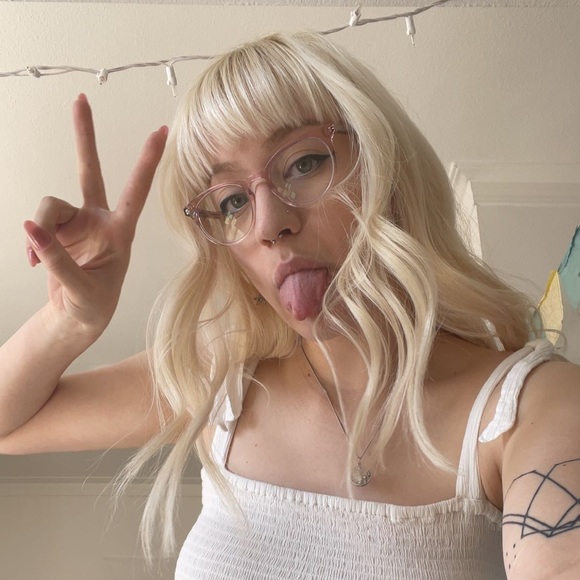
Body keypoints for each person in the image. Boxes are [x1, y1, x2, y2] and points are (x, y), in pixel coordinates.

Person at [1, 31, 579, 579]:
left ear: (386, 166)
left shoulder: (529, 406)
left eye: (304, 164)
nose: (269, 224)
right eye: (232, 201)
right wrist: (69, 322)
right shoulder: (219, 381)